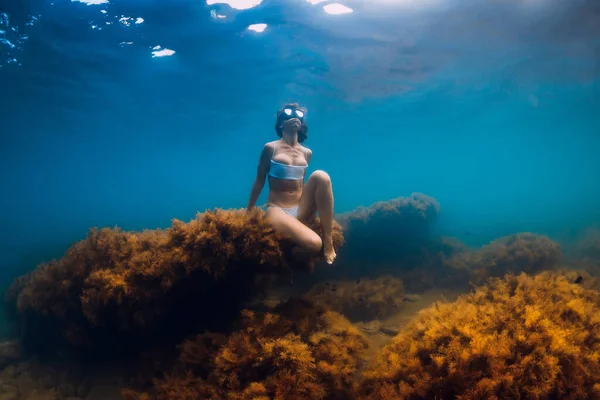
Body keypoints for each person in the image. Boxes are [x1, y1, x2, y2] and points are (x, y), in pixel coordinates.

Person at [246, 103, 337, 265]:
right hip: (277, 210)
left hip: (300, 209)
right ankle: (290, 255)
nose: (294, 116)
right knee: (315, 245)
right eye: (288, 114)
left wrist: (311, 210)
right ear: (281, 124)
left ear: (301, 125)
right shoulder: (270, 148)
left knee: (322, 176)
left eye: (299, 115)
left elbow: (300, 185)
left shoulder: (307, 153)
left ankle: (328, 240)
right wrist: (250, 210)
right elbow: (259, 180)